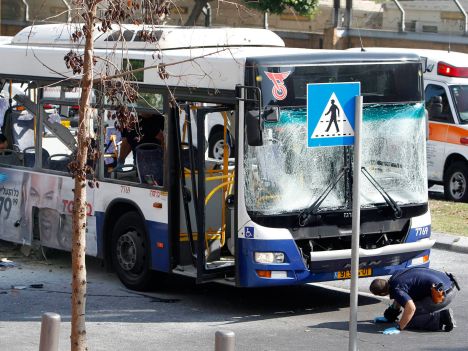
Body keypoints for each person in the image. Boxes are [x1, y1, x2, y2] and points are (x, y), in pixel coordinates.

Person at [370, 267, 460, 334]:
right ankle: (440, 317)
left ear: (382, 294)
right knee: (407, 315)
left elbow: (411, 308)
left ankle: (443, 317)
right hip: (449, 282)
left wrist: (399, 327)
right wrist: (389, 317)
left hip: (443, 295)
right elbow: (399, 297)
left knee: (409, 319)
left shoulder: (396, 289)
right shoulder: (394, 278)